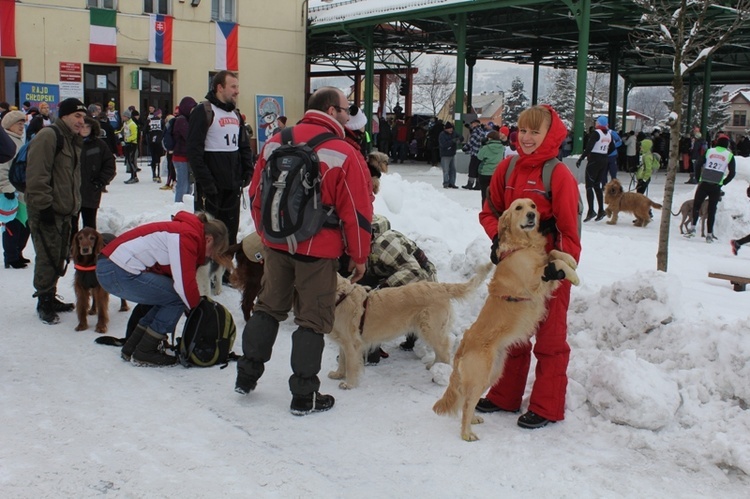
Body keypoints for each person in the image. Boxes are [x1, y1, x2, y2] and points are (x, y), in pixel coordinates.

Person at [235, 86, 373, 416]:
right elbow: (357, 211)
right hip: (318, 249)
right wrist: (359, 255)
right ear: (331, 110)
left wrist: (268, 235)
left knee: (268, 307)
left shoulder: (275, 141)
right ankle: (304, 395)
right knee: (312, 319)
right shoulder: (342, 151)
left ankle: (246, 376)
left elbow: (256, 194)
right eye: (346, 108)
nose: (349, 113)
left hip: (276, 244)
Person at [477, 104, 581, 429]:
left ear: (550, 134)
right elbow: (489, 212)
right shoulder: (507, 170)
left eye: (535, 131)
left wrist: (559, 266)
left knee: (550, 340)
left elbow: (568, 229)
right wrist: (498, 239)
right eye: (523, 130)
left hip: (548, 274)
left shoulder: (558, 175)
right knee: (513, 333)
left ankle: (547, 407)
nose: (528, 137)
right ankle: (505, 396)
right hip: (513, 272)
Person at [96, 211, 231, 366]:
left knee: (167, 296)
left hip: (110, 268)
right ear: (208, 239)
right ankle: (145, 351)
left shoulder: (184, 231)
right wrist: (198, 310)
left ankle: (133, 347)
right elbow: (184, 285)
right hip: (116, 270)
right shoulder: (187, 236)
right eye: (214, 251)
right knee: (177, 298)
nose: (212, 257)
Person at [26, 98, 88, 324]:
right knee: (47, 255)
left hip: (65, 209)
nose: (81, 121)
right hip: (47, 209)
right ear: (64, 116)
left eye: (83, 117)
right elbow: (37, 175)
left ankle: (50, 294)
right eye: (77, 116)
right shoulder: (49, 136)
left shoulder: (72, 140)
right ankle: (44, 300)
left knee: (60, 254)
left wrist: (74, 208)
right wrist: (43, 207)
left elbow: (71, 178)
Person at [187, 70, 254, 246]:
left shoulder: (236, 114)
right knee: (208, 235)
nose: (237, 91)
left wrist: (248, 169)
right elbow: (193, 150)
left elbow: (244, 145)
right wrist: (206, 181)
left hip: (232, 186)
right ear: (219, 88)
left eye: (237, 87)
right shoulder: (204, 111)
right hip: (211, 188)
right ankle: (205, 271)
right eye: (233, 87)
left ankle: (226, 272)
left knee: (229, 234)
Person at [360, 214, 438, 360]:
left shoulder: (383, 243)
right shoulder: (377, 242)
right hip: (416, 283)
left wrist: (383, 289)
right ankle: (411, 337)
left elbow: (413, 271)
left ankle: (370, 351)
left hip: (423, 286)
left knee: (373, 302)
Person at [686, 134, 736, 243]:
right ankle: (709, 234)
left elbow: (699, 164)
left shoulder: (710, 151)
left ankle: (693, 228)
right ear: (727, 144)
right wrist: (723, 182)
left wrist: (699, 177)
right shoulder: (729, 155)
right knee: (712, 210)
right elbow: (732, 173)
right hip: (716, 184)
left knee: (697, 205)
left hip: (704, 182)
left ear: (717, 142)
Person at [0, 111, 30, 269]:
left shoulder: (19, 141)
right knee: (13, 227)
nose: (21, 126)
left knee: (25, 225)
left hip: (22, 191)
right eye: (18, 123)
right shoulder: (5, 142)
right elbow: (2, 168)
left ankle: (18, 253)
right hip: (12, 192)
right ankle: (11, 257)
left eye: (22, 123)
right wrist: (6, 187)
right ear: (8, 125)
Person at [76, 117, 116, 231]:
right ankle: (71, 249)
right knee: (71, 226)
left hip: (90, 191)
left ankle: (91, 249)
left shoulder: (100, 145)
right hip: (72, 192)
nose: (84, 129)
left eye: (87, 127)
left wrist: (101, 181)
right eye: (82, 126)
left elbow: (110, 165)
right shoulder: (70, 143)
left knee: (89, 226)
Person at [576, 115, 613, 222]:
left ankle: (591, 210)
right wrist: (604, 154)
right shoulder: (609, 134)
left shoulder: (596, 133)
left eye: (597, 122)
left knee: (589, 186)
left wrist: (582, 158)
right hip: (604, 159)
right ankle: (601, 209)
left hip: (594, 160)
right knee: (597, 185)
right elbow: (613, 148)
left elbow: (589, 147)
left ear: (599, 124)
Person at [172, 96, 197, 203]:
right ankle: (179, 207)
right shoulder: (181, 120)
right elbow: (189, 136)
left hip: (186, 157)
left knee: (188, 185)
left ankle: (185, 207)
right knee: (183, 184)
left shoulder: (186, 119)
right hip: (180, 157)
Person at [476, 130, 506, 206]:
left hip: (484, 172)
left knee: (485, 194)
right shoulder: (502, 147)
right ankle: (494, 209)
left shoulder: (486, 148)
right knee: (495, 193)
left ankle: (485, 209)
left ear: (489, 138)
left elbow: (479, 157)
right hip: (496, 173)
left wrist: (482, 146)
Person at [462, 119, 485, 190]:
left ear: (475, 123)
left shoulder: (475, 131)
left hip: (475, 152)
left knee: (472, 168)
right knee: (478, 169)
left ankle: (470, 184)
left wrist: (465, 147)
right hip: (480, 153)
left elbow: (472, 141)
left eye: (472, 123)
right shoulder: (482, 131)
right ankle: (478, 184)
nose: (471, 125)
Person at [438, 122, 462, 189]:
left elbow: (461, 137)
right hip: (445, 155)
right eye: (449, 128)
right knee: (446, 170)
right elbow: (443, 144)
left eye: (451, 128)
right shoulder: (442, 135)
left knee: (453, 170)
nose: (451, 130)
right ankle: (446, 183)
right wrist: (453, 141)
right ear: (446, 129)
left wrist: (458, 140)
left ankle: (452, 183)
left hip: (452, 154)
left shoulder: (454, 133)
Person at [119, 110, 139, 184]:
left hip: (132, 144)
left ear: (127, 116)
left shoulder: (132, 124)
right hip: (127, 144)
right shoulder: (125, 123)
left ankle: (134, 176)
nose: (122, 117)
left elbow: (134, 135)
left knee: (131, 160)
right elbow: (122, 131)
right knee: (129, 160)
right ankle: (133, 176)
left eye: (124, 116)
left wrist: (127, 139)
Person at [146, 108, 164, 183]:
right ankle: (159, 175)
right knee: (160, 158)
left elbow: (145, 130)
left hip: (151, 141)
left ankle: (154, 174)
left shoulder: (150, 120)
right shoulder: (161, 121)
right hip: (159, 142)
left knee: (153, 158)